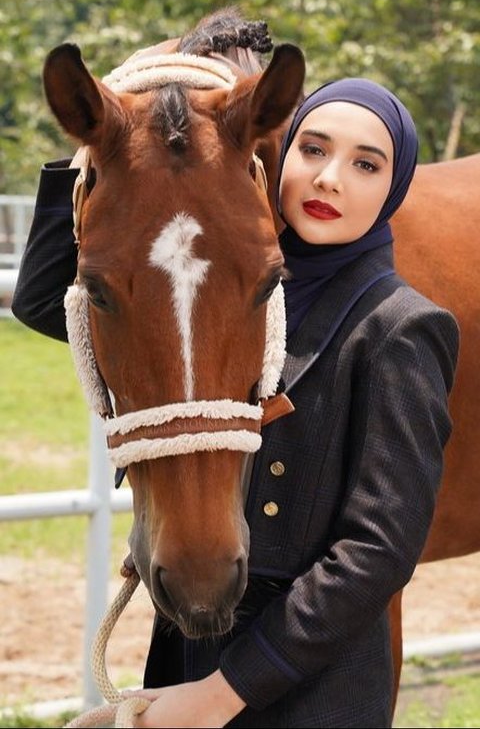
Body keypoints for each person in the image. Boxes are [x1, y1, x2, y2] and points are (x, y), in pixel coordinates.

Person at [12, 76, 459, 728]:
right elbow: (51, 297)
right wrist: (94, 155)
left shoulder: (400, 327)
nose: (331, 178)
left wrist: (222, 695)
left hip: (305, 691)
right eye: (313, 150)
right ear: (276, 157)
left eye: (366, 163)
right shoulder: (236, 292)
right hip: (190, 659)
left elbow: (379, 552)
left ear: (394, 185)